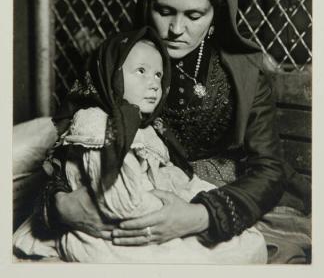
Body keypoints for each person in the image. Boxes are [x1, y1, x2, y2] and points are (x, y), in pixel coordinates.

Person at [31, 0, 310, 263]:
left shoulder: (242, 73)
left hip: (214, 200)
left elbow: (269, 168)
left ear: (215, 15)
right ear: (145, 6)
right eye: (164, 12)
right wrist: (62, 204)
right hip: (126, 195)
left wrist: (199, 216)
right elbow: (73, 149)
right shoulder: (114, 62)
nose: (177, 30)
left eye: (194, 15)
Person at [13, 26, 266, 263]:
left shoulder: (145, 127)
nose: (155, 83)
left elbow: (171, 175)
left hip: (145, 218)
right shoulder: (99, 125)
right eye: (141, 72)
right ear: (111, 73)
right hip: (109, 231)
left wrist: (192, 202)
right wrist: (166, 210)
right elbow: (118, 203)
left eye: (158, 74)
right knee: (220, 256)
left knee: (250, 244)